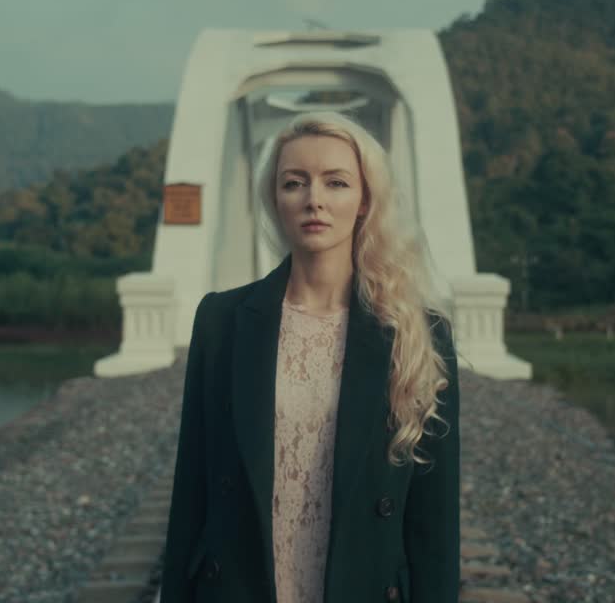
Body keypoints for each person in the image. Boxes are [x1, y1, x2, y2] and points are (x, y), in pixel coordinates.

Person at [159, 110, 460, 602]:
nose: (313, 199)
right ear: (275, 199)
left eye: (336, 182)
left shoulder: (418, 334)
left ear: (365, 201)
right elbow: (191, 493)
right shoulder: (221, 321)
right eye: (294, 183)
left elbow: (435, 524)